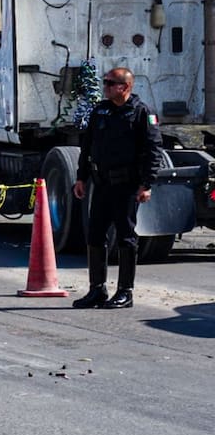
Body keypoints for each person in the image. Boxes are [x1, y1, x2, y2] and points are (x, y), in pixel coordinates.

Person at [71, 66, 162, 309]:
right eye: (105, 82)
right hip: (101, 184)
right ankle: (97, 289)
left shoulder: (141, 113)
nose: (105, 86)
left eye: (110, 83)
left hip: (126, 185)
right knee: (95, 236)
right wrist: (81, 178)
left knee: (126, 238)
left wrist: (146, 184)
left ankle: (125, 292)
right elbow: (87, 146)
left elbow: (153, 151)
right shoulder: (101, 111)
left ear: (124, 87)